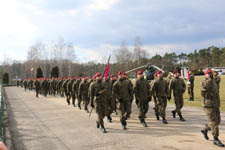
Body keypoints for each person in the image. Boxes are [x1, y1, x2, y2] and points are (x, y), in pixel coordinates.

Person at [200, 69, 224, 147]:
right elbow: (204, 89)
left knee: (218, 121)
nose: (210, 75)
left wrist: (215, 75)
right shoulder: (204, 82)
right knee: (214, 122)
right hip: (208, 105)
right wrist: (209, 79)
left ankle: (205, 129)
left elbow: (219, 79)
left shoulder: (214, 81)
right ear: (205, 75)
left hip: (215, 104)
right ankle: (215, 139)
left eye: (211, 73)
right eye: (208, 73)